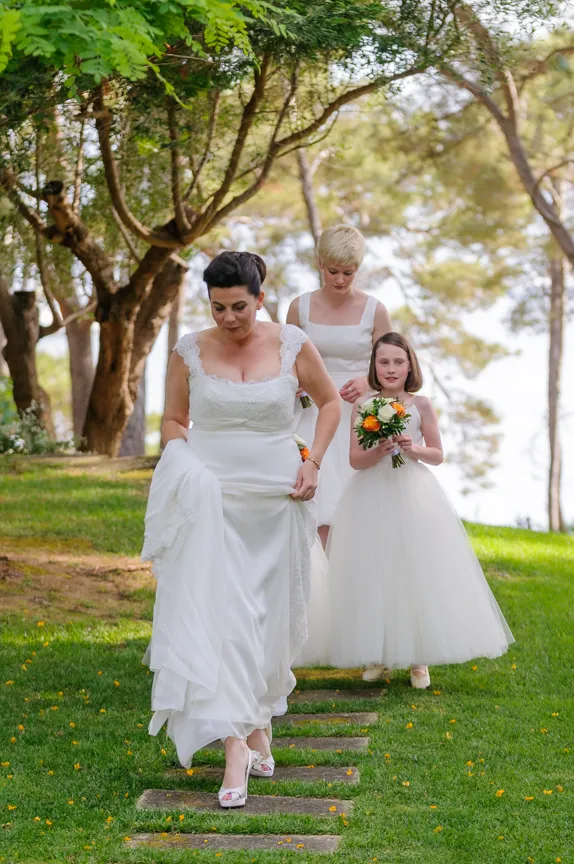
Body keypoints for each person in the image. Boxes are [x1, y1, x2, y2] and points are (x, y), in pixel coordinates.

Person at [142, 251, 340, 809]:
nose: (229, 318)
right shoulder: (188, 350)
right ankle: (235, 745)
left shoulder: (292, 343)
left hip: (278, 499)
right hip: (213, 499)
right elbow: (174, 420)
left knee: (267, 621)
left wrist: (314, 461)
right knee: (223, 616)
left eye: (239, 306)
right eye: (218, 307)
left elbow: (328, 405)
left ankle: (259, 725)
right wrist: (182, 465)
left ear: (260, 295)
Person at [317, 332, 514, 688]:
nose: (391, 369)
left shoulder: (420, 405)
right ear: (374, 367)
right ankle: (377, 653)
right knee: (374, 568)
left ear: (410, 367)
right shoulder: (363, 406)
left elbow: (438, 454)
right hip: (370, 494)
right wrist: (378, 450)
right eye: (384, 362)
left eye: (398, 362)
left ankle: (418, 659)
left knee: (413, 567)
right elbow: (355, 460)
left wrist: (412, 448)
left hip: (413, 491)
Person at [287, 224, 392, 550]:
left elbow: (394, 362)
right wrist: (295, 380)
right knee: (313, 505)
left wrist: (368, 380)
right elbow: (285, 359)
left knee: (353, 508)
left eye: (349, 272)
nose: (340, 280)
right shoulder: (299, 307)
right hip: (309, 413)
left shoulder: (375, 310)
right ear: (320, 263)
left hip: (355, 416)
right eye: (333, 271)